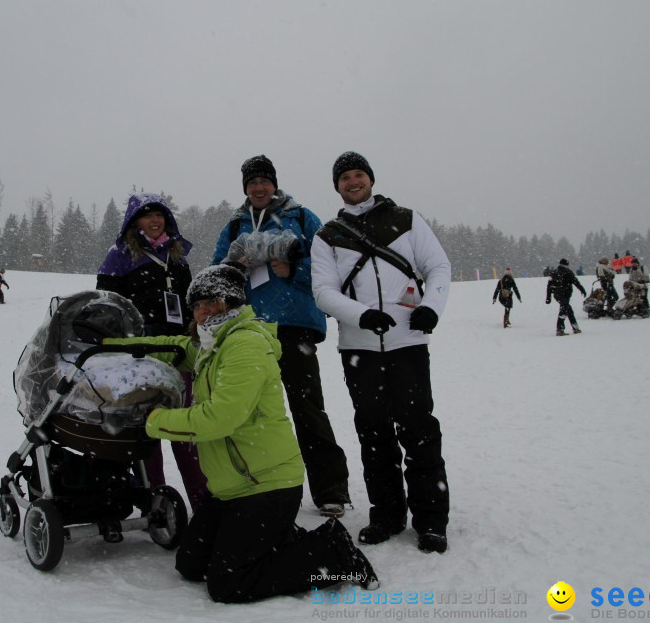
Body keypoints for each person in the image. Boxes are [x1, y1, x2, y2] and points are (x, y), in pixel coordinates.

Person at [101, 264, 378, 603]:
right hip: (232, 487)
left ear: (231, 303)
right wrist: (108, 344)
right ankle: (277, 535)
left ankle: (332, 553)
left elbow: (220, 419)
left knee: (227, 582)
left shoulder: (243, 345)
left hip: (266, 484)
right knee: (190, 564)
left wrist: (154, 420)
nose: (203, 312)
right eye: (197, 306)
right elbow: (171, 345)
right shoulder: (210, 343)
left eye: (211, 303)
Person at [310, 152, 452, 554]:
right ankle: (387, 515)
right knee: (373, 435)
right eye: (345, 178)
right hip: (359, 348)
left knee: (419, 430)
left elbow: (438, 267)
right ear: (337, 186)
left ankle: (431, 520)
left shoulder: (407, 219)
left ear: (370, 178)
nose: (353, 182)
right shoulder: (328, 235)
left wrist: (430, 308)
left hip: (408, 343)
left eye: (359, 175)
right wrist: (362, 315)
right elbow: (324, 291)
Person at [210, 154, 351, 518]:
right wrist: (233, 269)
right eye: (252, 182)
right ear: (245, 187)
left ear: (274, 183)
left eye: (264, 181)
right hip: (249, 332)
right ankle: (256, 487)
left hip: (294, 327)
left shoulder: (302, 218)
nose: (258, 187)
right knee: (250, 414)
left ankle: (330, 490)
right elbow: (215, 278)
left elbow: (327, 269)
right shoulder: (235, 225)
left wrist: (292, 270)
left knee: (307, 409)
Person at [97, 192, 208, 514]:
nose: (154, 220)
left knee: (184, 426)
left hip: (177, 352)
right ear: (134, 221)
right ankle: (154, 503)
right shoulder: (119, 255)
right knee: (148, 429)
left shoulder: (178, 255)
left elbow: (190, 302)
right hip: (139, 356)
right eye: (147, 215)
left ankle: (203, 502)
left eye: (159, 215)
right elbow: (108, 306)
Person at [546, 258, 586, 336]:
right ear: (567, 265)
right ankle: (560, 330)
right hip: (565, 294)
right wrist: (582, 290)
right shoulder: (568, 272)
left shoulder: (554, 272)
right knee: (564, 310)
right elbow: (575, 282)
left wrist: (548, 297)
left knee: (568, 310)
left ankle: (575, 328)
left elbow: (549, 286)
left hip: (557, 295)